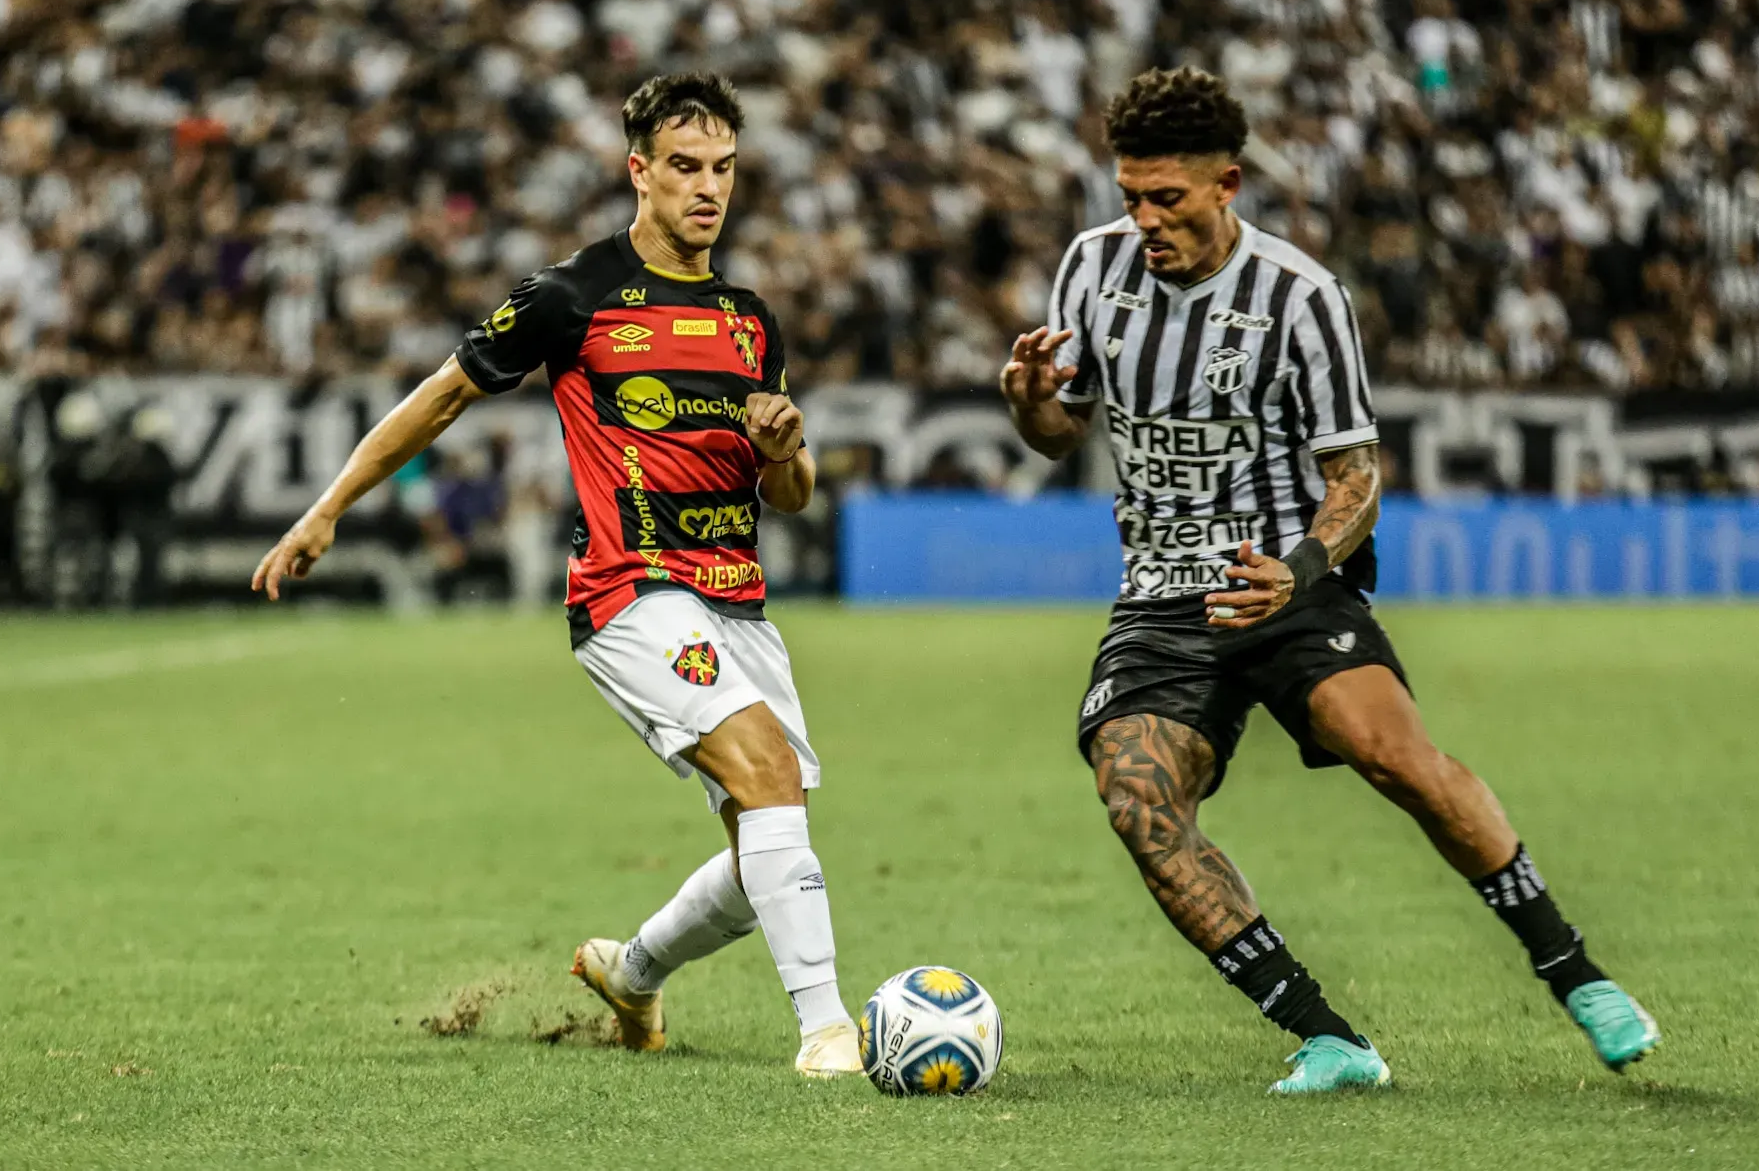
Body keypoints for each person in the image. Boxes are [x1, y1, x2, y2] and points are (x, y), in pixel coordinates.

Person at [999, 66, 1657, 1094]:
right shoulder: (1089, 269)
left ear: (1227, 183)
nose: (1142, 219)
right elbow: (1055, 435)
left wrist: (1298, 568)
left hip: (1288, 580)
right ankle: (1326, 1034)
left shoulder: (1298, 297)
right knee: (1134, 794)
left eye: (1164, 197)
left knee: (1393, 757)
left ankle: (1570, 968)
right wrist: (1032, 400)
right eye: (1127, 194)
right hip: (1161, 593)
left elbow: (1355, 476)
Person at [251, 73, 861, 1079]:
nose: (707, 189)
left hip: (735, 598)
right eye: (684, 167)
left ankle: (632, 970)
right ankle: (826, 1031)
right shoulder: (573, 295)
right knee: (764, 780)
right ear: (639, 172)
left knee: (771, 832)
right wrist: (328, 507)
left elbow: (787, 495)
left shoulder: (751, 321)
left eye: (723, 169)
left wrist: (788, 447)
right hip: (629, 591)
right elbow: (441, 397)